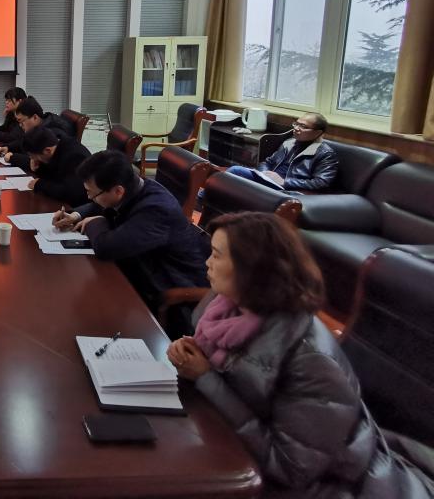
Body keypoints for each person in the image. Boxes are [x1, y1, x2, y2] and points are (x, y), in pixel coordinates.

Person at [167, 213, 434, 498]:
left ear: (253, 269)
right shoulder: (226, 308)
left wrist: (206, 377)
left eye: (217, 255)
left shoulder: (310, 360)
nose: (207, 262)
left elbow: (290, 468)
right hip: (238, 444)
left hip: (324, 485)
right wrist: (195, 357)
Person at [53, 150, 209, 314]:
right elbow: (102, 203)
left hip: (172, 289)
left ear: (118, 191)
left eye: (91, 193)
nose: (89, 197)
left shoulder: (156, 210)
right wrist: (75, 215)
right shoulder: (136, 186)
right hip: (141, 268)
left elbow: (106, 248)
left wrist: (97, 221)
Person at [229, 113, 338, 192]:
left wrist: (284, 181)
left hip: (287, 189)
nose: (296, 128)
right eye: (296, 124)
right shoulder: (289, 143)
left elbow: (321, 183)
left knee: (238, 178)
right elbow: (268, 162)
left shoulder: (325, 154)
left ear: (318, 132)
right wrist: (264, 174)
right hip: (269, 181)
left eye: (303, 126)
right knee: (235, 171)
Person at [21, 125, 91, 207]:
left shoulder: (73, 157)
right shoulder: (56, 148)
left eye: (33, 156)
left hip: (82, 206)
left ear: (47, 150)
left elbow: (70, 193)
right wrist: (38, 167)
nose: (32, 159)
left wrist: (39, 184)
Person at [0, 96, 74, 168]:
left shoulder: (51, 133)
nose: (20, 125)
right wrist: (8, 147)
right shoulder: (40, 127)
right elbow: (26, 142)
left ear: (35, 117)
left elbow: (41, 164)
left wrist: (13, 158)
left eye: (21, 121)